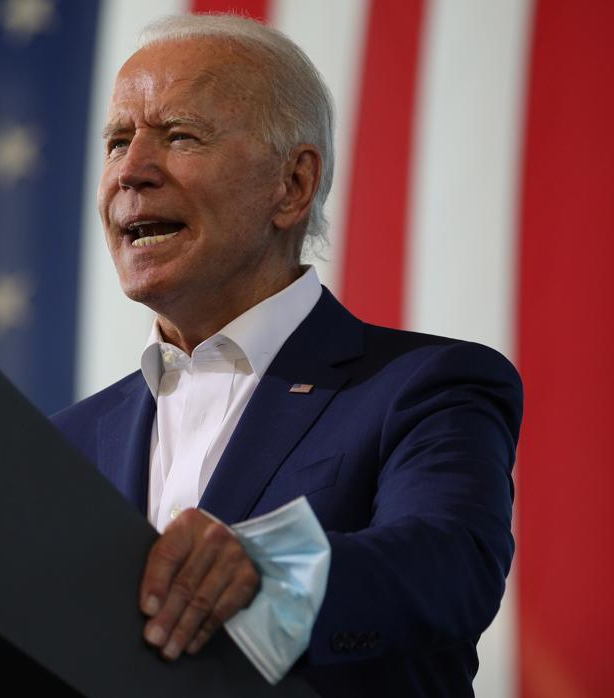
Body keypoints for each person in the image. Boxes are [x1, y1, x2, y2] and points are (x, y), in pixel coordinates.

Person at [52, 14, 522, 697]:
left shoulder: (423, 388)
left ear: (293, 185)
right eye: (118, 141)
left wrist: (271, 568)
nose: (132, 170)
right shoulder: (65, 443)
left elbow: (449, 565)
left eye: (180, 136)